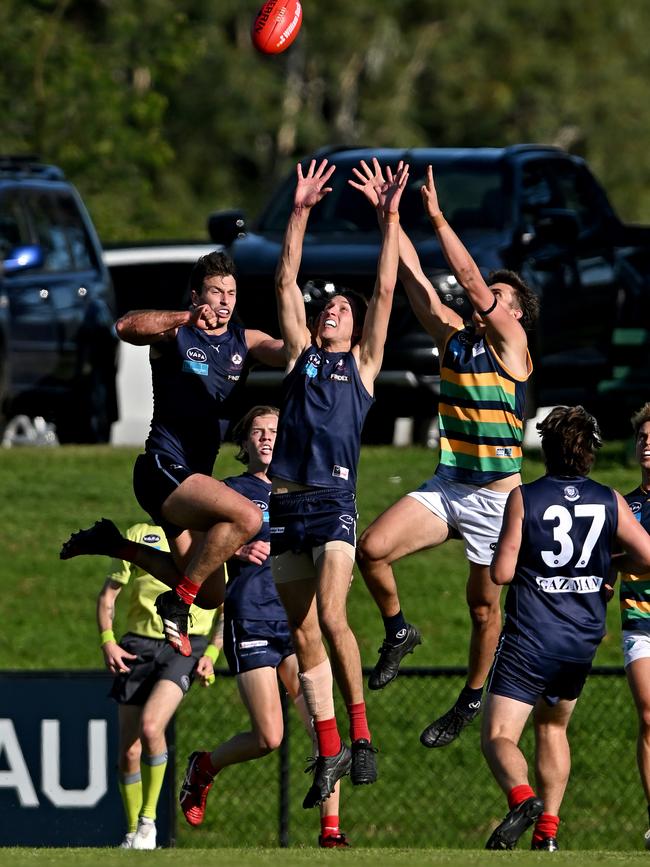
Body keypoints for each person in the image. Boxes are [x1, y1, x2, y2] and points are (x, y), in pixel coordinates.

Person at [352, 160, 540, 747]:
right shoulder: (457, 339)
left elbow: (467, 276)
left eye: (500, 297)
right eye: (492, 296)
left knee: (484, 611)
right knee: (372, 550)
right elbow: (415, 278)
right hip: (448, 486)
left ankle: (470, 698)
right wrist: (391, 217)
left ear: (514, 315)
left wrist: (434, 214)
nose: (489, 298)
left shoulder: (513, 344)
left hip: (498, 500)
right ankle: (398, 631)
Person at [269, 157, 408, 808]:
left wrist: (390, 219)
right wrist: (299, 212)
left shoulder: (365, 365)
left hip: (333, 506)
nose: (333, 309)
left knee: (331, 614)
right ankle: (328, 746)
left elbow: (383, 292)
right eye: (329, 305)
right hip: (285, 506)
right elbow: (285, 278)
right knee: (301, 634)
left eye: (342, 308)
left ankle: (359, 735)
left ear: (355, 327)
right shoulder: (301, 354)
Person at [62, 251, 284, 655]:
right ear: (197, 294)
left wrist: (320, 342)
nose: (224, 301)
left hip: (192, 481)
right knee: (248, 516)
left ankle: (117, 545)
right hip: (160, 470)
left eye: (230, 293)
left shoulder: (243, 341)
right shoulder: (175, 334)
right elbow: (126, 325)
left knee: (211, 594)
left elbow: (284, 351)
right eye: (215, 291)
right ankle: (175, 602)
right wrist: (186, 318)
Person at [178, 405, 349, 848]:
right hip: (250, 616)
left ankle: (330, 834)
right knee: (269, 737)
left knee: (324, 730)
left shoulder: (304, 489)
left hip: (299, 623)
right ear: (245, 442)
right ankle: (204, 766)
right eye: (258, 431)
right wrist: (233, 551)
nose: (268, 438)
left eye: (275, 430)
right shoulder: (228, 492)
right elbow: (195, 549)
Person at [481, 405, 650, 850]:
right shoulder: (611, 499)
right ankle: (547, 835)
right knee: (553, 728)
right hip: (580, 642)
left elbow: (500, 573)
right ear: (590, 452)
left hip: (530, 638)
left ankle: (522, 800)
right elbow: (647, 556)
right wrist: (602, 565)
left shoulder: (525, 497)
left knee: (498, 735)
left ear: (547, 449)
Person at [96, 520, 222, 849]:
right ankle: (131, 832)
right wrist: (108, 640)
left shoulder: (206, 536)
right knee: (129, 750)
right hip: (137, 646)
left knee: (152, 728)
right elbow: (109, 593)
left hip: (184, 644)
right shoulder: (139, 533)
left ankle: (148, 823)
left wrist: (212, 651)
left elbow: (227, 603)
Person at [618, 402, 650, 849]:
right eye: (642, 438)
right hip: (640, 622)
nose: (646, 445)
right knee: (649, 714)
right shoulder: (625, 505)